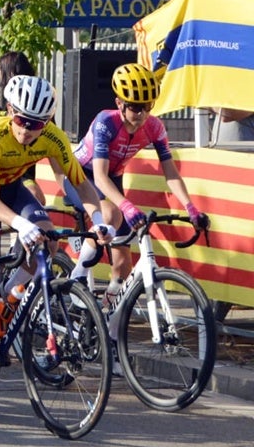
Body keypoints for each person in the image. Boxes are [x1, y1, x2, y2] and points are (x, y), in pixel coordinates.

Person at [0, 74, 113, 399]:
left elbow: (82, 184)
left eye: (37, 124)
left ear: (47, 122)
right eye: (22, 120)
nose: (27, 130)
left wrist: (97, 219)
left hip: (12, 186)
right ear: (10, 110)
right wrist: (19, 224)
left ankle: (10, 294)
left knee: (49, 242)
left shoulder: (52, 137)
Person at [65, 64, 209, 294]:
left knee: (123, 265)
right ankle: (77, 277)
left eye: (147, 107)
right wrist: (127, 207)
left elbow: (170, 173)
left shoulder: (154, 127)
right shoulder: (106, 122)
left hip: (113, 178)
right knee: (111, 214)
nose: (141, 114)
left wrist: (191, 208)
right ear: (119, 104)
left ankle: (110, 321)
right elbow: (100, 177)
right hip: (82, 176)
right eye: (135, 107)